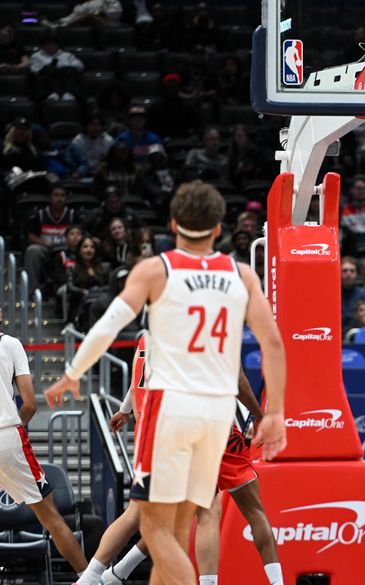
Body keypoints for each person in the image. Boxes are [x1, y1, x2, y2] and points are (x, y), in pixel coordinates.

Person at [45, 181, 287, 585]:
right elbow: (272, 343)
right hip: (216, 413)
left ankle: (97, 580)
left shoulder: (155, 270)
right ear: (217, 228)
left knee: (158, 526)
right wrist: (271, 413)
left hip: (170, 412)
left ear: (174, 225)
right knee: (206, 514)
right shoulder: (241, 274)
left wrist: (72, 373)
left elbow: (107, 327)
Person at [0, 316, 88, 577]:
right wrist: (15, 429)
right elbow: (29, 404)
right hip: (7, 437)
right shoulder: (11, 344)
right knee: (50, 516)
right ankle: (89, 579)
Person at [24, 183, 77, 294]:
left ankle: (72, 289)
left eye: (62, 195)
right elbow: (31, 235)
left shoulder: (72, 214)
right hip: (46, 248)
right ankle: (33, 291)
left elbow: (79, 233)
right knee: (32, 251)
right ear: (50, 197)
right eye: (56, 195)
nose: (59, 198)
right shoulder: (41, 214)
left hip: (67, 248)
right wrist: (43, 242)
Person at [29, 31, 83, 101]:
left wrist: (63, 66)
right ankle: (53, 93)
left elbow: (80, 66)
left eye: (54, 44)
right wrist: (52, 67)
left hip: (65, 76)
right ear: (43, 45)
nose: (51, 46)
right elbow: (34, 69)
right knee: (48, 69)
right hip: (47, 80)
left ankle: (68, 93)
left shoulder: (66, 55)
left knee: (69, 69)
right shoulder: (36, 56)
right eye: (48, 44)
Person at [67, 114, 114, 178]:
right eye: (92, 124)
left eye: (98, 125)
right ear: (86, 126)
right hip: (82, 173)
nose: (95, 128)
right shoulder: (78, 140)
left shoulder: (108, 140)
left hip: (102, 173)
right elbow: (77, 162)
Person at [341, 257, 365, 331]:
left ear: (357, 274)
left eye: (352, 271)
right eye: (344, 271)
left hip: (359, 337)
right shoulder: (331, 295)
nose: (348, 274)